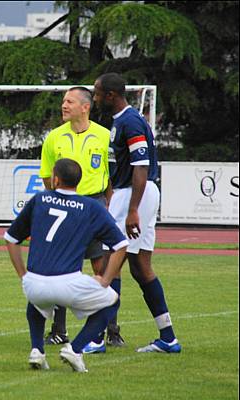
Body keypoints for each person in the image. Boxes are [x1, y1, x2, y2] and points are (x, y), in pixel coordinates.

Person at [5, 158, 129, 372]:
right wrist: (106, 279)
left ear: (55, 179)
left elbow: (10, 239)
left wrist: (23, 275)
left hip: (34, 284)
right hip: (69, 283)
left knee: (37, 300)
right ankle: (76, 349)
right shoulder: (90, 206)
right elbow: (121, 245)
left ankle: (37, 350)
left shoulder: (40, 199)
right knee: (111, 302)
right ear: (78, 182)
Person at [92, 72, 181, 353]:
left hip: (135, 194)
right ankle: (168, 337)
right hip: (131, 194)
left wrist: (131, 210)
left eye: (96, 93)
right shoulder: (121, 121)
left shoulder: (130, 122)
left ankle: (95, 340)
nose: (94, 98)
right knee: (141, 269)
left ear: (111, 95)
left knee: (110, 262)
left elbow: (140, 167)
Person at [39, 87, 125, 351]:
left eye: (69, 101)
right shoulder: (54, 138)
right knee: (62, 267)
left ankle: (110, 328)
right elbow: (46, 176)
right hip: (65, 206)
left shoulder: (104, 135)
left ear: (85, 107)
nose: (63, 105)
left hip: (95, 205)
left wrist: (110, 206)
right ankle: (58, 330)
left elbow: (112, 176)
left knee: (104, 268)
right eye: (63, 101)